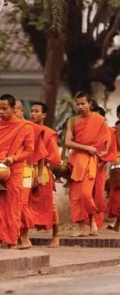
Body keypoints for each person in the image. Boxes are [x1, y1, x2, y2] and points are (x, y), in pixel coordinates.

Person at [0, 94, 34, 249]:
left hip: (14, 169)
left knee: (13, 205)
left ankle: (10, 239)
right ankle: (4, 237)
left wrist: (13, 158)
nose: (0, 111)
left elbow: (29, 151)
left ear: (13, 109)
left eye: (4, 109)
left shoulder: (25, 127)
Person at [65, 91, 111, 237]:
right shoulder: (72, 121)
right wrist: (87, 148)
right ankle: (81, 229)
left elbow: (108, 136)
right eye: (78, 104)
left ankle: (91, 220)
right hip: (77, 159)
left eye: (83, 103)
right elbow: (67, 142)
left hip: (91, 161)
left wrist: (105, 151)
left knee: (86, 194)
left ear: (90, 103)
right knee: (76, 196)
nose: (80, 106)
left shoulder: (98, 119)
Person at [15, 100, 46, 249]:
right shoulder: (3, 126)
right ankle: (12, 237)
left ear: (21, 111)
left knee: (22, 205)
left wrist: (39, 174)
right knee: (9, 206)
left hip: (26, 171)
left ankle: (25, 236)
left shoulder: (30, 128)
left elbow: (40, 153)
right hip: (8, 171)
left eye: (15, 111)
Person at [29, 102, 62, 248]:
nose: (33, 114)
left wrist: (43, 173)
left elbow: (54, 157)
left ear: (44, 115)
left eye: (36, 111)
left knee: (49, 205)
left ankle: (56, 235)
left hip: (43, 172)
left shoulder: (49, 133)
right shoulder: (27, 129)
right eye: (31, 111)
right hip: (27, 169)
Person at [107, 104, 120, 231]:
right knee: (116, 196)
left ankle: (117, 225)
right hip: (117, 167)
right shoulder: (113, 131)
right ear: (118, 115)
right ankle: (117, 224)